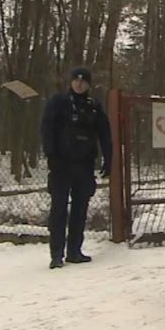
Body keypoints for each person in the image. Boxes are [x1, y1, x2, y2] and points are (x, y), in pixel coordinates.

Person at [41, 67, 112, 269]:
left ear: (89, 84)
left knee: (80, 209)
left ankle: (74, 251)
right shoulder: (58, 102)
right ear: (71, 82)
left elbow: (104, 134)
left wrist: (109, 159)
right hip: (61, 165)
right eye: (76, 80)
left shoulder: (94, 107)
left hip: (84, 165)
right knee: (59, 209)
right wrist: (51, 155)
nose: (79, 84)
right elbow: (46, 128)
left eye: (83, 81)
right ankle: (56, 254)